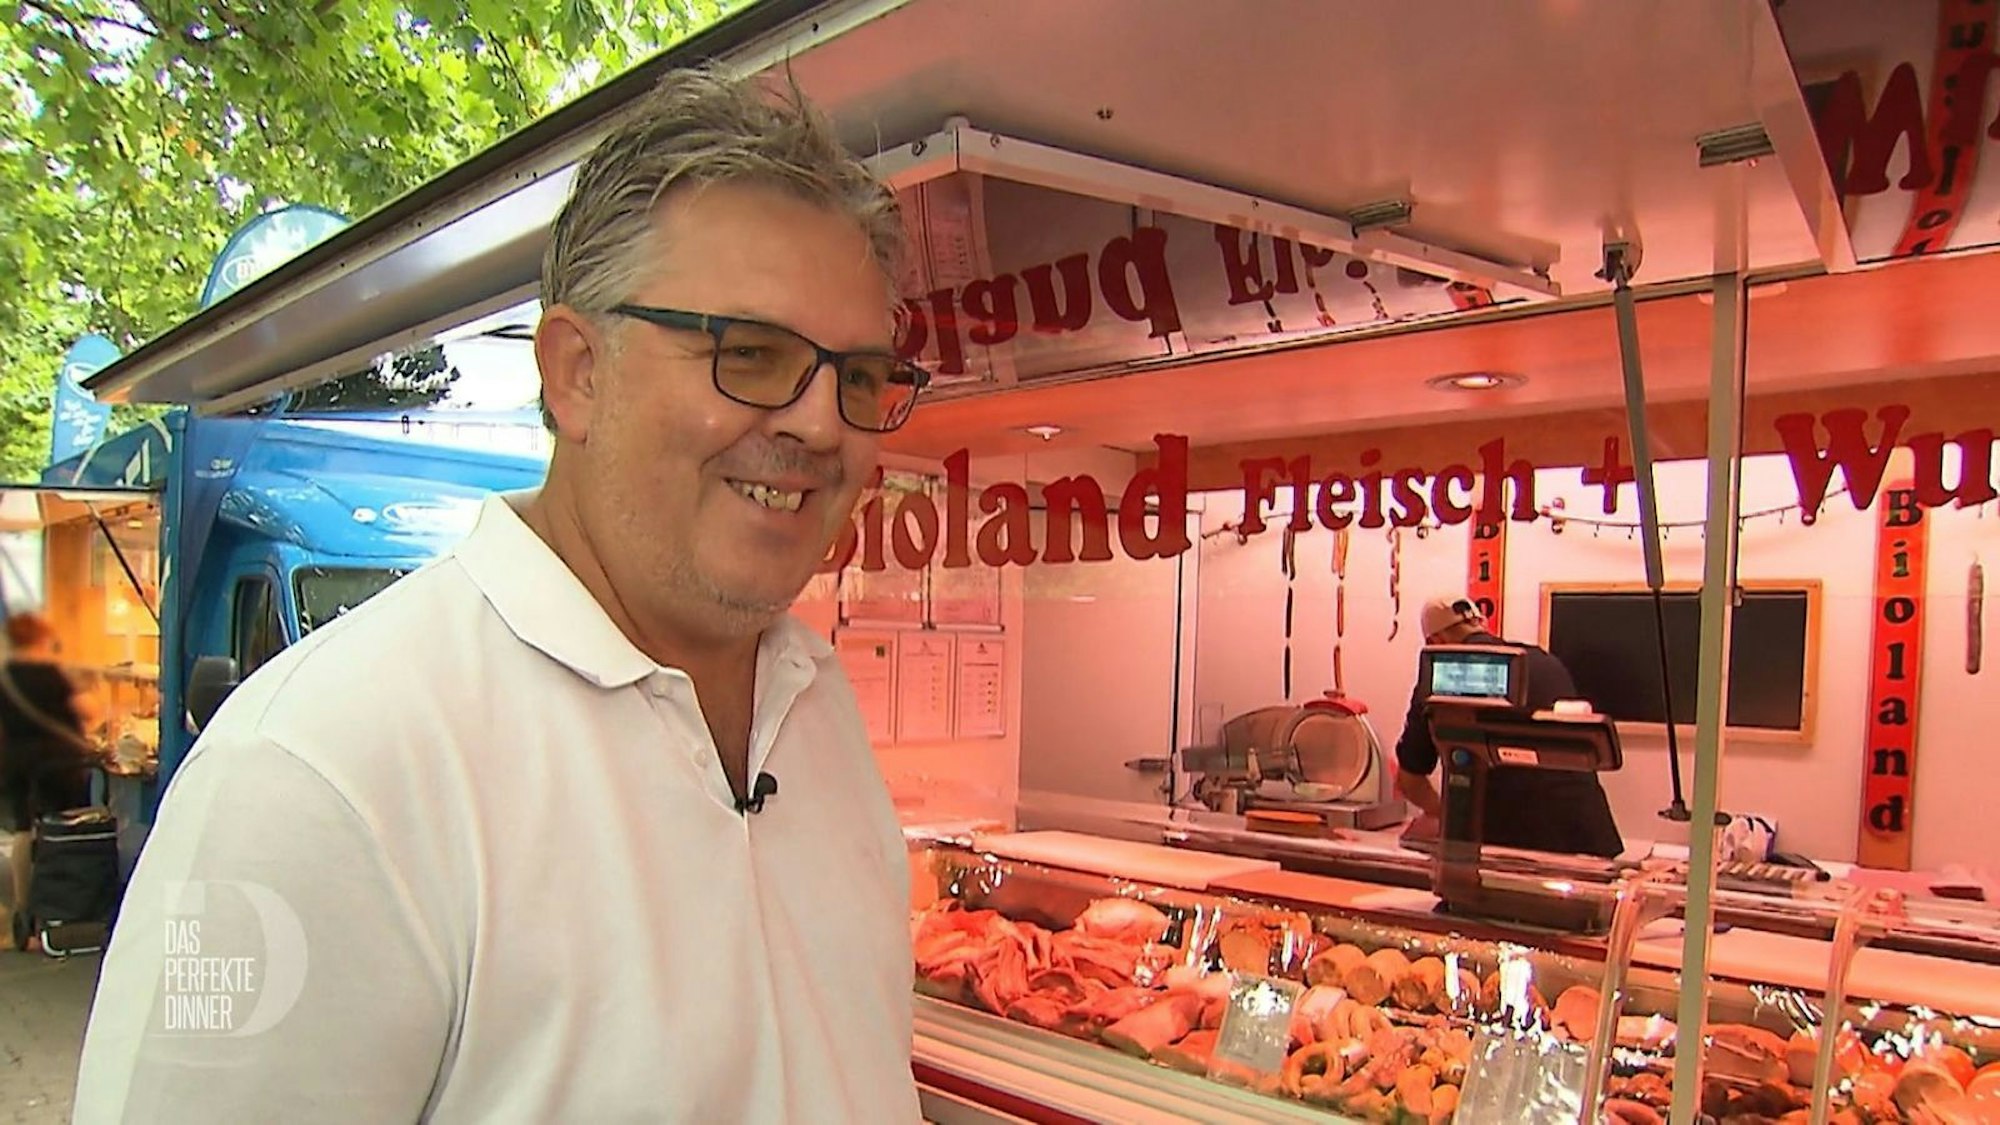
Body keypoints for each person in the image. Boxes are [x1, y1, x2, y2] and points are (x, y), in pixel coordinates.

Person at [77, 68, 930, 1122]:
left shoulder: (818, 712)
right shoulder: (317, 772)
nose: (818, 424)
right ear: (576, 373)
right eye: (747, 355)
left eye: (856, 378)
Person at [1392, 596, 1625, 858]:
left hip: (1509, 850)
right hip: (1587, 835)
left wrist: (1445, 816)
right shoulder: (1544, 661)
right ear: (1481, 624)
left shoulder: (1440, 675)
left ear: (1435, 643)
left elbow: (1410, 780)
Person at [1, 611, 105, 947]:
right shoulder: (51, 674)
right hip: (58, 762)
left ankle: (22, 909)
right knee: (57, 832)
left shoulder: (5, 679)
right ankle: (53, 906)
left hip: (16, 761)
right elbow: (87, 711)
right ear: (40, 638)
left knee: (22, 830)